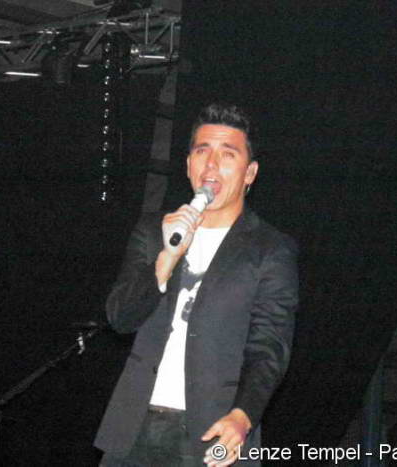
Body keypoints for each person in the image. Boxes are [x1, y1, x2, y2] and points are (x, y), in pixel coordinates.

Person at [94, 103, 298, 466]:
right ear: (189, 164)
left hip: (212, 431)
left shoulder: (270, 249)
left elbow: (269, 349)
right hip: (134, 427)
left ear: (250, 173)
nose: (212, 164)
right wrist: (166, 259)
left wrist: (243, 416)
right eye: (202, 152)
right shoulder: (154, 231)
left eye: (228, 154)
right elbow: (120, 318)